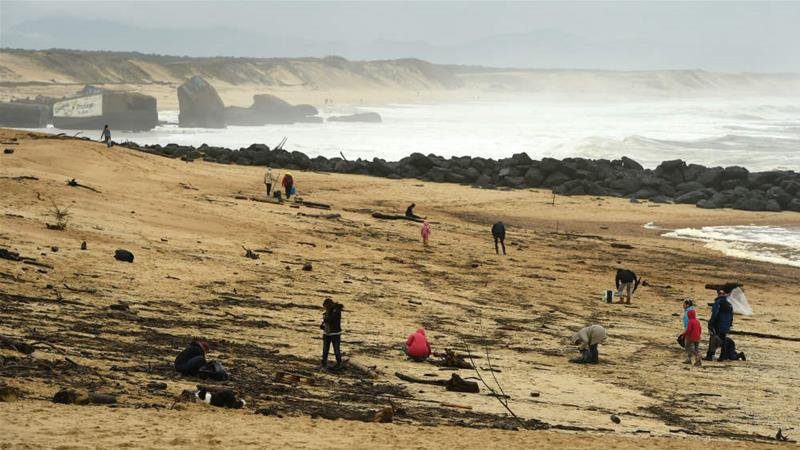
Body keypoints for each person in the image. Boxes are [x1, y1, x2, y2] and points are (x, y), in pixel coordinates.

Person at [706, 290, 734, 361]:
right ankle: (722, 357)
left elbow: (714, 314)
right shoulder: (729, 305)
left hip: (718, 325)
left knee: (713, 338)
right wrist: (729, 325)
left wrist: (710, 323)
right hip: (726, 326)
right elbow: (731, 317)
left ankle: (710, 356)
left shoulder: (717, 303)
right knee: (723, 340)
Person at [320, 298, 343, 370]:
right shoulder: (331, 311)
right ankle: (324, 363)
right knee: (325, 350)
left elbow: (330, 319)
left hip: (335, 334)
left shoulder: (336, 311)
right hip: (328, 333)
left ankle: (339, 364)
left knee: (336, 349)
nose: (325, 308)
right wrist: (323, 326)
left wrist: (325, 318)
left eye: (325, 307)